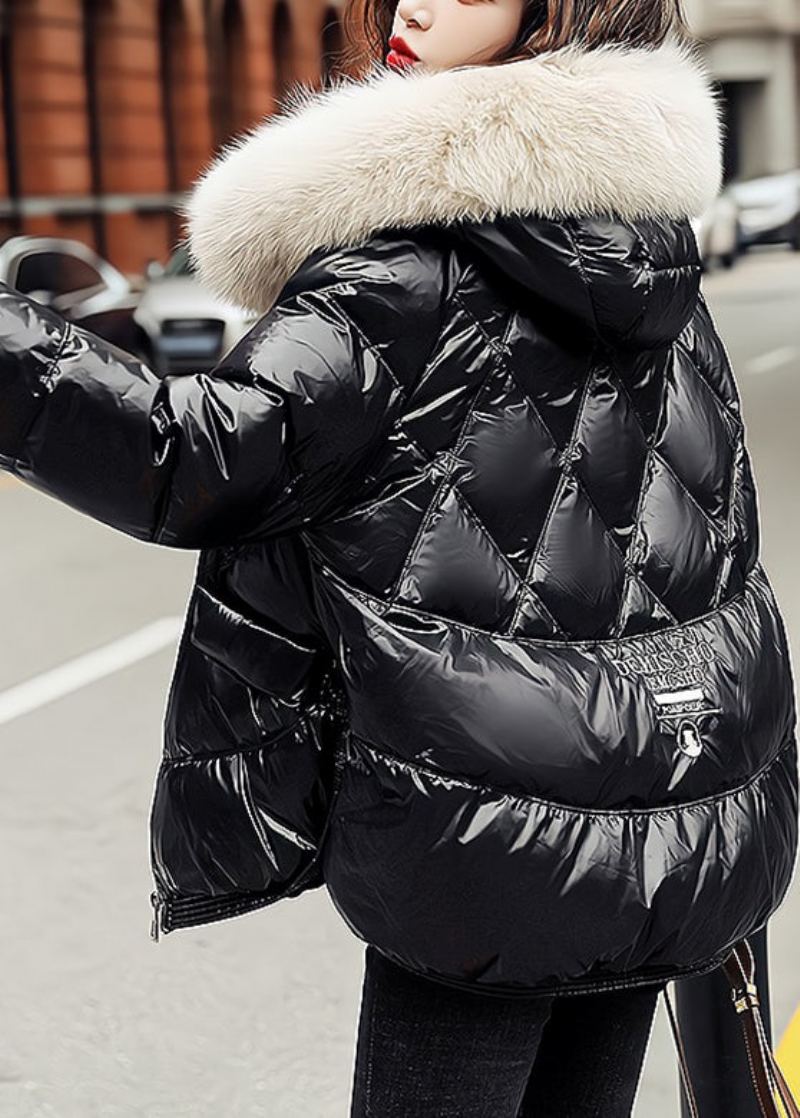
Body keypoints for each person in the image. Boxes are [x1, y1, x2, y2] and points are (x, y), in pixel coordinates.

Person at [0, 0, 797, 1112]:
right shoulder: (647, 251)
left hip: (484, 836)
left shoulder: (402, 267)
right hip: (666, 815)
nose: (415, 1)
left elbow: (193, 457)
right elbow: (712, 545)